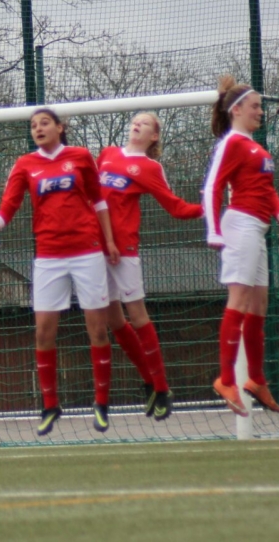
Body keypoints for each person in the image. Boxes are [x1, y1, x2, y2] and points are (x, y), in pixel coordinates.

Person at [0, 107, 121, 436]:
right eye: (33, 125)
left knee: (98, 330)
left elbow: (99, 202)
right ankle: (50, 405)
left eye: (44, 123)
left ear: (59, 127)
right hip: (48, 257)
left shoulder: (80, 157)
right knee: (43, 332)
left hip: (87, 252)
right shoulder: (25, 164)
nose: (38, 129)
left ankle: (101, 403)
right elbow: (8, 207)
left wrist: (109, 241)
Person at [96, 112, 203, 422]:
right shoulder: (107, 153)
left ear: (154, 136)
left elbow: (175, 206)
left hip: (124, 249)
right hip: (94, 247)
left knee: (138, 315)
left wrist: (206, 208)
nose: (137, 124)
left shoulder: (149, 167)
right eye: (135, 120)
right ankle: (150, 383)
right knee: (113, 321)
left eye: (144, 123)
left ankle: (162, 387)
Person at [202, 76, 279, 416]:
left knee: (259, 305)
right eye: (255, 106)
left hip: (257, 228)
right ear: (236, 110)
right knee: (239, 300)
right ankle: (226, 380)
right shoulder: (232, 143)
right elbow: (212, 186)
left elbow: (265, 188)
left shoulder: (255, 147)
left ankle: (256, 379)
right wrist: (214, 231)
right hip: (239, 226)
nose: (261, 112)